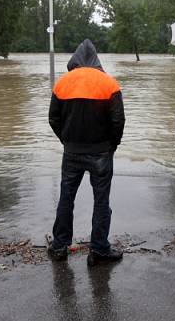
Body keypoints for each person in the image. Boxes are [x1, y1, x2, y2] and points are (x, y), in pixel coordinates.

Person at [48, 39, 125, 266]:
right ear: (96, 59)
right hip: (101, 152)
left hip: (71, 152)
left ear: (76, 59)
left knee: (66, 198)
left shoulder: (63, 83)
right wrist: (112, 145)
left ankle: (60, 246)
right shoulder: (108, 83)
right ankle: (99, 249)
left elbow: (53, 118)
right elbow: (118, 120)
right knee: (101, 201)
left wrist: (67, 139)